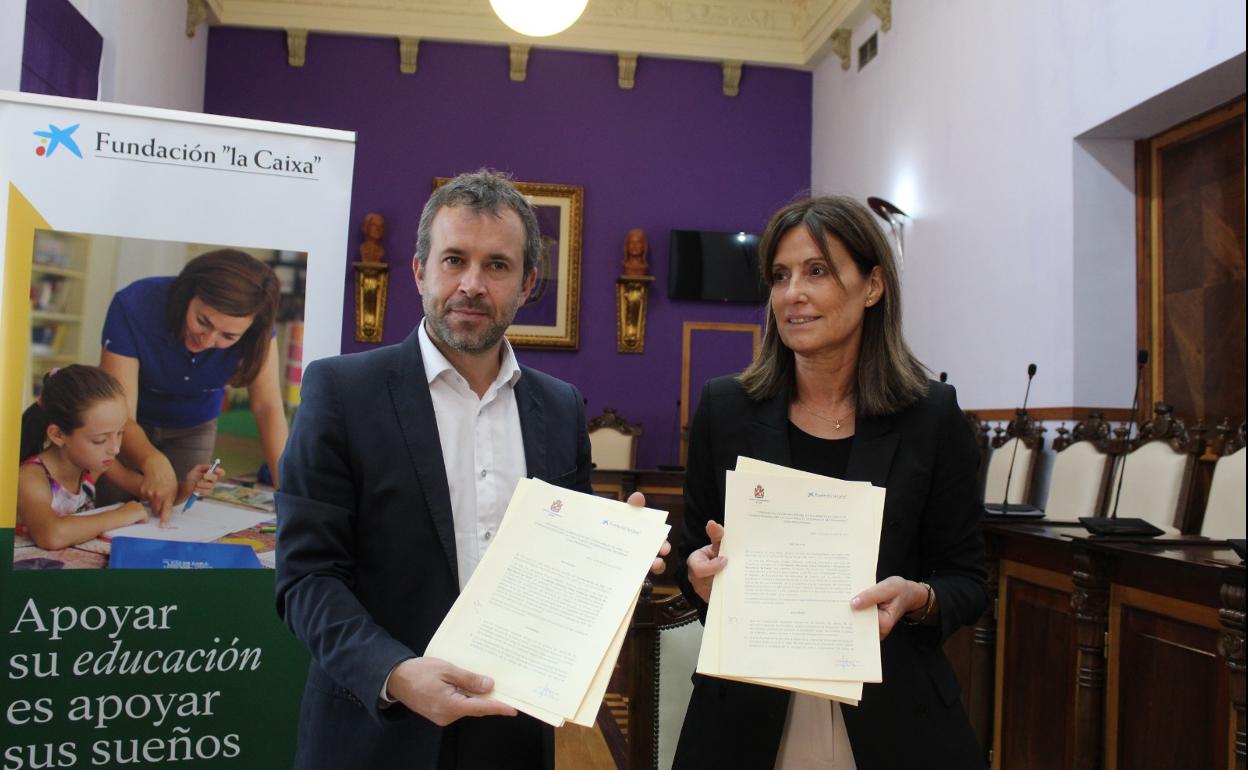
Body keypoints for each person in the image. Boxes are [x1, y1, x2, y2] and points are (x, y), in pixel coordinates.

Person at [276, 170, 669, 770]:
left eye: (497, 266)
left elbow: (564, 575)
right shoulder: (340, 392)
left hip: (513, 735)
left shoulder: (560, 408)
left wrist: (619, 561)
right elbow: (307, 577)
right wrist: (396, 674)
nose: (471, 284)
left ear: (528, 283)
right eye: (454, 259)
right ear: (419, 271)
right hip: (372, 734)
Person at [674, 196, 987, 769]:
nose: (792, 293)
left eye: (816, 271)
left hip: (894, 718)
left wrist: (919, 599)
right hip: (746, 717)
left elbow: (968, 579)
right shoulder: (726, 407)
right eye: (780, 276)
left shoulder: (932, 417)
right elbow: (691, 548)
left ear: (872, 286)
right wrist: (699, 574)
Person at [99, 249, 285, 521]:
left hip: (194, 424)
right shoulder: (135, 305)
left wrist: (290, 493)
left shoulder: (259, 333)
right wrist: (152, 459)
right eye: (202, 321)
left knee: (178, 513)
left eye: (228, 336)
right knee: (112, 509)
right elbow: (120, 415)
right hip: (124, 424)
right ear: (187, 295)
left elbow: (268, 407)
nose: (207, 341)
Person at [17, 365, 222, 551]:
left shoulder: (97, 465)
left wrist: (188, 487)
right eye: (100, 440)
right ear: (58, 435)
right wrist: (119, 515)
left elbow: (153, 493)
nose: (115, 449)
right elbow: (51, 535)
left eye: (120, 433)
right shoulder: (32, 477)